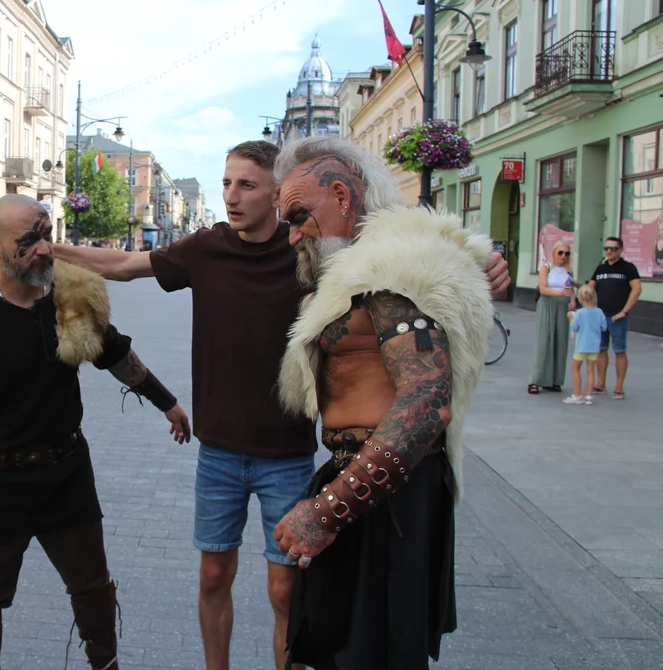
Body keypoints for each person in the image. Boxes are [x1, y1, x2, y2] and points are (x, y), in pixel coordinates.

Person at [53, 141, 510, 669]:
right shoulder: (217, 247)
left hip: (309, 459)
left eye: (246, 184)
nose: (231, 195)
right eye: (225, 183)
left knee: (295, 594)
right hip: (232, 452)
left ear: (278, 192)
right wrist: (52, 249)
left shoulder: (326, 248)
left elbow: (406, 247)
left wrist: (480, 261)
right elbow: (128, 264)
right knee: (230, 580)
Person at [0, 194, 191, 670]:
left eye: (46, 235)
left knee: (93, 589)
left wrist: (168, 403)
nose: (44, 249)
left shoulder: (72, 303)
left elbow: (117, 356)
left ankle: (105, 664)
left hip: (65, 476)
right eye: (28, 241)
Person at [272, 136, 494, 669]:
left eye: (300, 215)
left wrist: (327, 511)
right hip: (380, 488)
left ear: (343, 197)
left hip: (388, 493)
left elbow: (424, 405)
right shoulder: (372, 271)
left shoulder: (391, 273)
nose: (294, 234)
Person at [589, 236, 641, 399]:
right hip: (600, 316)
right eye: (606, 249)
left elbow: (637, 289)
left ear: (621, 250)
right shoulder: (600, 268)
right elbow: (590, 287)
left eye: (613, 249)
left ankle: (619, 387)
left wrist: (624, 311)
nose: (609, 252)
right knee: (600, 349)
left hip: (618, 316)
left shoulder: (628, 268)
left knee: (619, 350)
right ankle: (601, 384)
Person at [527, 240, 575, 394]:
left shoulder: (568, 272)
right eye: (560, 252)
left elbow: (571, 289)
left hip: (563, 307)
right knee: (544, 340)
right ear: (554, 253)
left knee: (561, 341)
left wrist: (573, 301)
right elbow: (543, 288)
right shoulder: (546, 268)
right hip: (547, 305)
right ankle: (536, 379)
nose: (563, 256)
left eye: (566, 253)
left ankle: (555, 380)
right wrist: (559, 293)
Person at [564, 285, 607, 406]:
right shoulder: (599, 312)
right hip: (594, 346)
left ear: (581, 299)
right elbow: (604, 327)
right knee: (590, 370)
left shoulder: (580, 313)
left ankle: (577, 395)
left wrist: (571, 318)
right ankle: (589, 396)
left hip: (581, 345)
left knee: (575, 368)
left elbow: (574, 327)